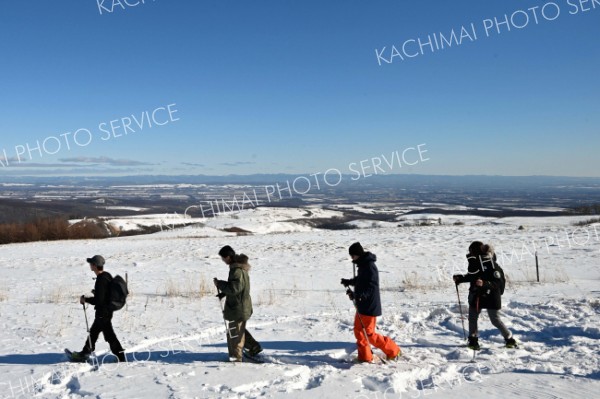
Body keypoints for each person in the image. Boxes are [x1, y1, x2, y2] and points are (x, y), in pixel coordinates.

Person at [340, 242, 401, 363]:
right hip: (362, 305)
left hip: (369, 306)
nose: (351, 258)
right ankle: (365, 357)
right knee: (359, 331)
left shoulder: (369, 266)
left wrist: (359, 296)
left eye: (352, 255)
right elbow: (361, 280)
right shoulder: (363, 265)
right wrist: (350, 282)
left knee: (369, 334)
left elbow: (371, 286)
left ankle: (394, 351)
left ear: (358, 254)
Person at [453, 241, 517, 350]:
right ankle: (473, 340)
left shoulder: (493, 266)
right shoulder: (477, 264)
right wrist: (461, 278)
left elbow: (498, 283)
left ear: (476, 252)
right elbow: (473, 276)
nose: (470, 254)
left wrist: (484, 283)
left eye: (471, 252)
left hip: (492, 296)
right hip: (477, 295)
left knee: (495, 320)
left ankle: (510, 339)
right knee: (472, 317)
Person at [71, 255, 126, 362]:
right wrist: (96, 293)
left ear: (95, 265)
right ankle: (86, 352)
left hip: (103, 313)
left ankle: (120, 357)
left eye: (91, 263)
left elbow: (99, 301)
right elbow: (105, 294)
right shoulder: (106, 275)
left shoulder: (101, 279)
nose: (90, 265)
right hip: (106, 312)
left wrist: (85, 299)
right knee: (95, 333)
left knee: (108, 336)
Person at [213, 245, 262, 362]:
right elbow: (238, 287)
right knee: (238, 329)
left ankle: (235, 358)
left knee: (235, 334)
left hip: (238, 307)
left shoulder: (236, 270)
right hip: (241, 305)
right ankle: (253, 347)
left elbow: (235, 288)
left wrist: (219, 284)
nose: (223, 260)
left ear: (228, 257)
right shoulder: (240, 268)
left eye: (223, 258)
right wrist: (224, 293)